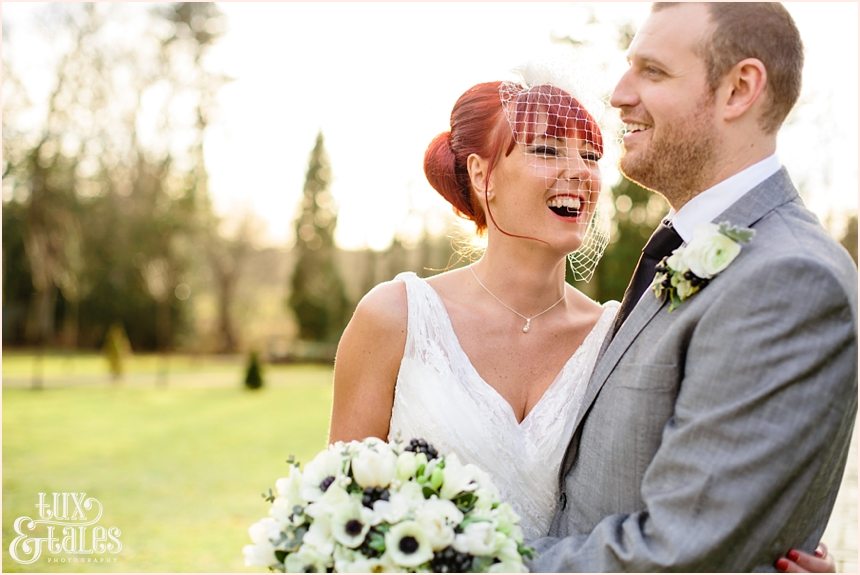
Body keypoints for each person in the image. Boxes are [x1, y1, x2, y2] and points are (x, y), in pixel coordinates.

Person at [329, 70, 833, 570]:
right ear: (482, 176)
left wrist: (768, 560)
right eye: (547, 150)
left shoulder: (619, 335)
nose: (579, 172)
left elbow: (694, 497)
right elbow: (335, 514)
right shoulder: (395, 318)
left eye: (590, 156)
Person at [528, 3, 857, 572]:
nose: (619, 94)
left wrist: (459, 557)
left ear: (739, 90)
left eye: (652, 71)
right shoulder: (691, 244)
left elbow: (678, 554)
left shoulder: (788, 279)